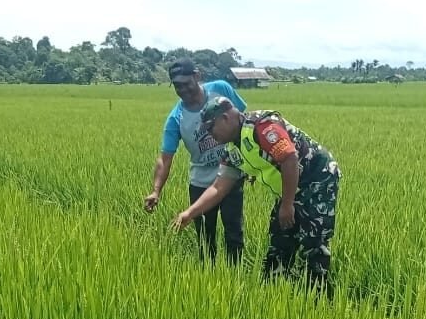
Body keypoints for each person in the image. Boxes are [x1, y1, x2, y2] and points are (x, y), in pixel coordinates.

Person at [172, 96, 341, 295]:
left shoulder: (261, 126)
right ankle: (274, 293)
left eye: (211, 128)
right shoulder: (233, 151)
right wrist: (190, 213)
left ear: (225, 118)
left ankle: (317, 299)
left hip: (317, 177)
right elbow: (218, 187)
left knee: (313, 241)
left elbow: (289, 158)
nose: (210, 135)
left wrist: (287, 205)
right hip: (289, 188)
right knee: (279, 237)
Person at [144, 60, 246, 264]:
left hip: (231, 176)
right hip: (201, 182)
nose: (182, 89)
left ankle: (235, 278)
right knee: (205, 239)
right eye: (177, 85)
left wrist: (250, 162)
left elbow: (243, 120)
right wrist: (156, 190)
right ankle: (208, 277)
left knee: (234, 232)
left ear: (197, 76)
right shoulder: (176, 118)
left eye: (186, 83)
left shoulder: (220, 89)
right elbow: (165, 158)